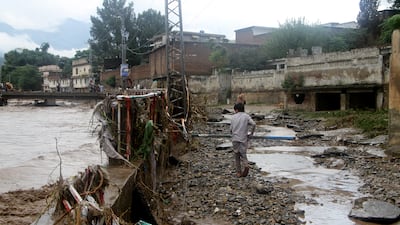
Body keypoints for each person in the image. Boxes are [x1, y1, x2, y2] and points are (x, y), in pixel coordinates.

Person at [230, 102, 256, 178]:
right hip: (243, 138)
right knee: (243, 154)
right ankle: (246, 165)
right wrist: (251, 134)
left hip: (235, 138)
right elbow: (254, 124)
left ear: (236, 110)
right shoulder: (246, 116)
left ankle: (238, 172)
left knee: (236, 155)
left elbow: (230, 129)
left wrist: (232, 133)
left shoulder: (233, 117)